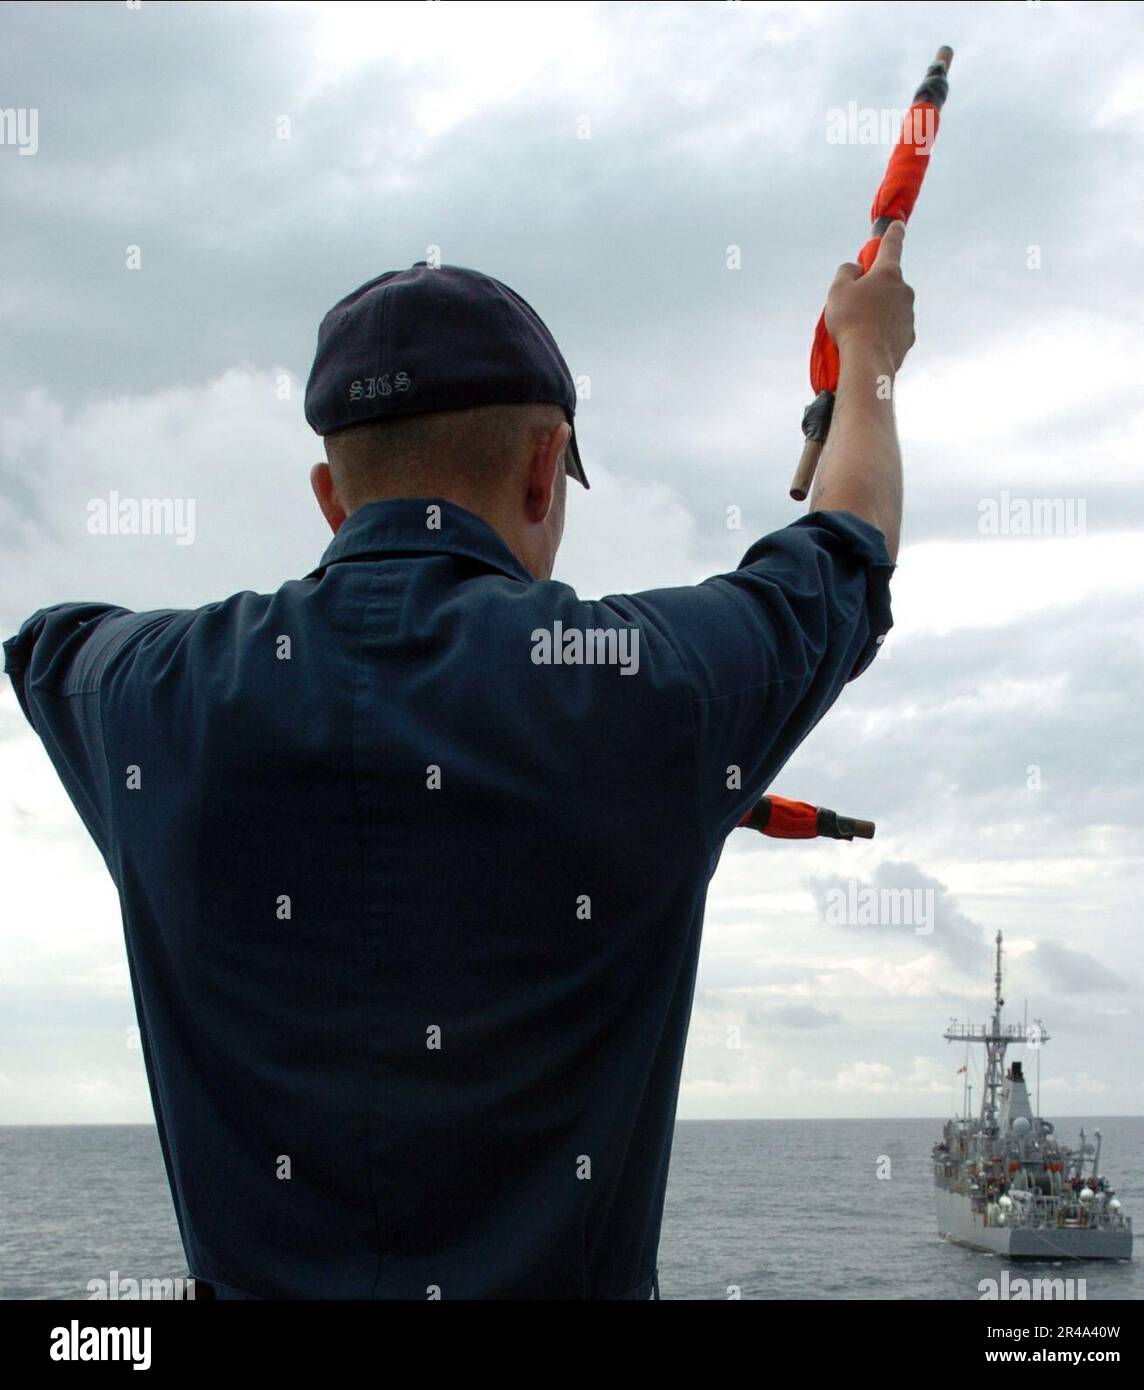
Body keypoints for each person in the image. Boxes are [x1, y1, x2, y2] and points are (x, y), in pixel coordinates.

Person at [4, 228, 913, 1299]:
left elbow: (41, 644)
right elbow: (846, 552)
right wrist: (870, 362)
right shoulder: (656, 691)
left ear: (329, 497)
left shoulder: (141, 699)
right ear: (543, 467)